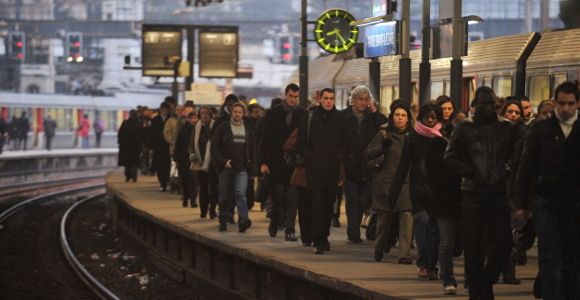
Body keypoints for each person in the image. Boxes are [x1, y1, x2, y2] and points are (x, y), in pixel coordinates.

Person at [444, 86, 518, 300]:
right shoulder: (464, 129)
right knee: (473, 247)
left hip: (498, 192)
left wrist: (507, 168)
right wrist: (470, 171)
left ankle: (485, 281)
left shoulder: (506, 129)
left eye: (489, 104)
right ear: (475, 106)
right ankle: (479, 293)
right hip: (473, 193)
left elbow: (516, 152)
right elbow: (450, 157)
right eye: (482, 104)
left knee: (504, 242)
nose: (486, 108)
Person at [516, 81, 580, 300]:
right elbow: (526, 166)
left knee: (573, 258)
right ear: (555, 103)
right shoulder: (541, 129)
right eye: (561, 103)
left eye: (570, 104)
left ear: (577, 104)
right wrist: (522, 204)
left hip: (575, 204)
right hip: (547, 202)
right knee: (550, 257)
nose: (565, 109)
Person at [297, 87, 346, 254]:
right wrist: (310, 158)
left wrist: (338, 159)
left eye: (332, 98)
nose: (329, 101)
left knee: (328, 206)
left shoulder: (340, 119)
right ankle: (319, 240)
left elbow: (345, 143)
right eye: (326, 98)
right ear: (320, 99)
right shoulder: (309, 117)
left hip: (331, 171)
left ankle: (324, 236)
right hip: (314, 171)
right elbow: (301, 143)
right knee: (317, 205)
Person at [365, 100, 414, 265]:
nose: (400, 118)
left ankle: (404, 254)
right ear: (392, 117)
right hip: (386, 184)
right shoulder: (384, 134)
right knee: (384, 220)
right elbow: (367, 154)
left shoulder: (412, 136)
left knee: (407, 217)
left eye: (403, 115)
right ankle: (379, 247)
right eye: (397, 115)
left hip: (406, 185)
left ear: (408, 118)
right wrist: (382, 148)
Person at [260, 83, 305, 241]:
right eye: (291, 96)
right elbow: (265, 139)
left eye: (296, 96)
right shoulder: (273, 113)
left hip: (294, 162)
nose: (293, 99)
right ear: (285, 95)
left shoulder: (302, 114)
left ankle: (290, 229)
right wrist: (263, 162)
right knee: (278, 195)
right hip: (276, 161)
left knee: (292, 197)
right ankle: (274, 220)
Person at [340, 86, 382, 243]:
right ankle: (353, 230)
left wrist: (373, 111)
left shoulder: (372, 118)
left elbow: (383, 124)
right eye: (361, 99)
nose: (364, 103)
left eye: (366, 100)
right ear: (353, 100)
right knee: (352, 200)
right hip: (350, 166)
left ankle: (355, 227)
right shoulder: (343, 117)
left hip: (367, 167)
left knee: (364, 201)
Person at [211, 101, 257, 233]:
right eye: (235, 111)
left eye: (240, 112)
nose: (237, 114)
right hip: (227, 167)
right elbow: (214, 147)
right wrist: (223, 161)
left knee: (240, 193)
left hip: (242, 168)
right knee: (224, 196)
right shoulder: (223, 127)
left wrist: (253, 169)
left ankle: (243, 221)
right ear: (231, 113)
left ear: (244, 113)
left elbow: (253, 150)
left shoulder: (248, 129)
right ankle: (223, 221)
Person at [190, 106, 218, 219]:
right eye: (202, 113)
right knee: (203, 187)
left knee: (214, 187)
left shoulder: (215, 126)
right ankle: (203, 210)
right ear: (199, 115)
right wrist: (192, 154)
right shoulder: (196, 128)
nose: (204, 115)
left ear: (210, 115)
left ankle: (212, 209)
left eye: (206, 113)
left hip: (213, 162)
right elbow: (191, 144)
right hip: (200, 162)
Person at [175, 111, 198, 208]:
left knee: (194, 180)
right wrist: (176, 158)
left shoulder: (199, 130)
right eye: (191, 118)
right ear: (188, 119)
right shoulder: (183, 130)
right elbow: (178, 145)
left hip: (195, 159)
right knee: (184, 180)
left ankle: (193, 200)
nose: (193, 120)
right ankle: (185, 198)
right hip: (183, 158)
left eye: (195, 118)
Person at [117, 110, 144, 182]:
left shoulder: (125, 123)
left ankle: (128, 177)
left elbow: (120, 134)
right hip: (135, 147)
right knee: (134, 163)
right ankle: (133, 177)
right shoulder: (139, 124)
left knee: (128, 164)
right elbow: (142, 136)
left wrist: (120, 144)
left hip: (127, 147)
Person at [151, 101, 172, 191]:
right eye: (163, 109)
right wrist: (151, 146)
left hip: (168, 146)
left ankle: (166, 181)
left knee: (167, 165)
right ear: (160, 110)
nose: (165, 111)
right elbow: (151, 134)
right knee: (159, 165)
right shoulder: (154, 120)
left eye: (166, 109)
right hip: (158, 146)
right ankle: (162, 183)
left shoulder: (171, 119)